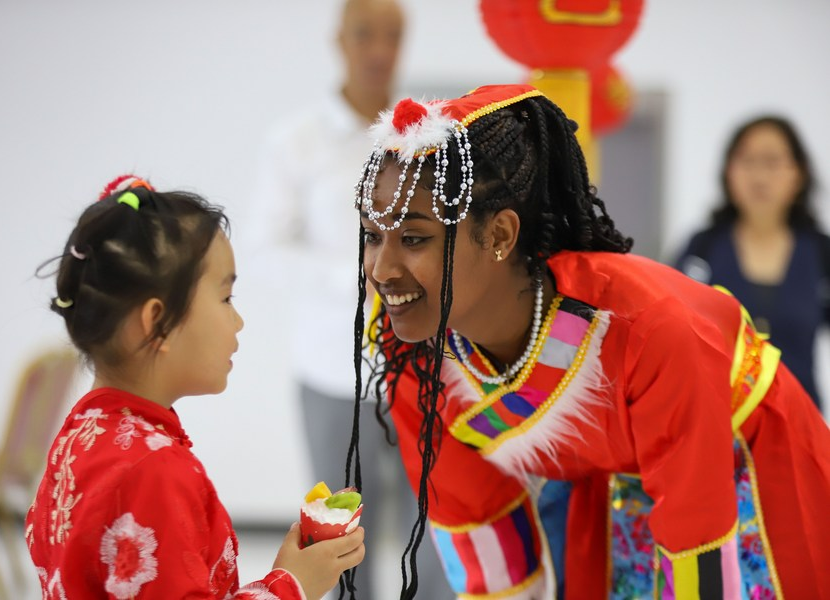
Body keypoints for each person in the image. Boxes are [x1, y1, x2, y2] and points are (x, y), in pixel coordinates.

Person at [347, 85, 830, 599]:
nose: (381, 270)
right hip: (612, 481)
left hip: (748, 462)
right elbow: (480, 533)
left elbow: (698, 537)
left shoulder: (646, 328)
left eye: (414, 238)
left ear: (500, 236)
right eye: (372, 236)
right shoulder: (415, 357)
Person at [25, 175, 365, 599]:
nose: (238, 321)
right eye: (225, 298)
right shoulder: (155, 471)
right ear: (156, 324)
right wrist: (291, 585)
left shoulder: (77, 437)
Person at [246, 1, 450, 598]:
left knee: (438, 520)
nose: (381, 49)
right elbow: (260, 249)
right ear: (340, 40)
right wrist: (359, 276)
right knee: (340, 536)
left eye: (394, 35)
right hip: (332, 371)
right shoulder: (296, 140)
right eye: (366, 35)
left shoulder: (428, 140)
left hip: (426, 368)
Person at [675, 115, 829, 414]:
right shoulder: (701, 250)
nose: (759, 177)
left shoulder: (822, 253)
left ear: (798, 173)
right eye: (747, 161)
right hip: (716, 425)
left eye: (772, 162)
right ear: (728, 172)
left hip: (800, 426)